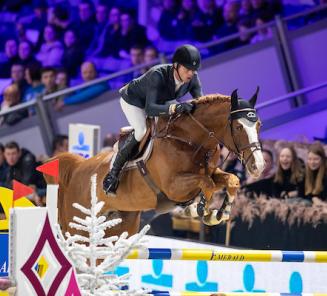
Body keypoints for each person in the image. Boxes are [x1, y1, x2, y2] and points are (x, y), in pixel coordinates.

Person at [103, 44, 203, 195]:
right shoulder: (158, 74)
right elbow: (150, 109)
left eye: (193, 70)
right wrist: (175, 108)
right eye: (187, 69)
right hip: (134, 101)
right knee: (142, 131)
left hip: (161, 101)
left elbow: (201, 102)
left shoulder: (193, 78)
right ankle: (113, 174)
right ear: (176, 66)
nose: (190, 74)